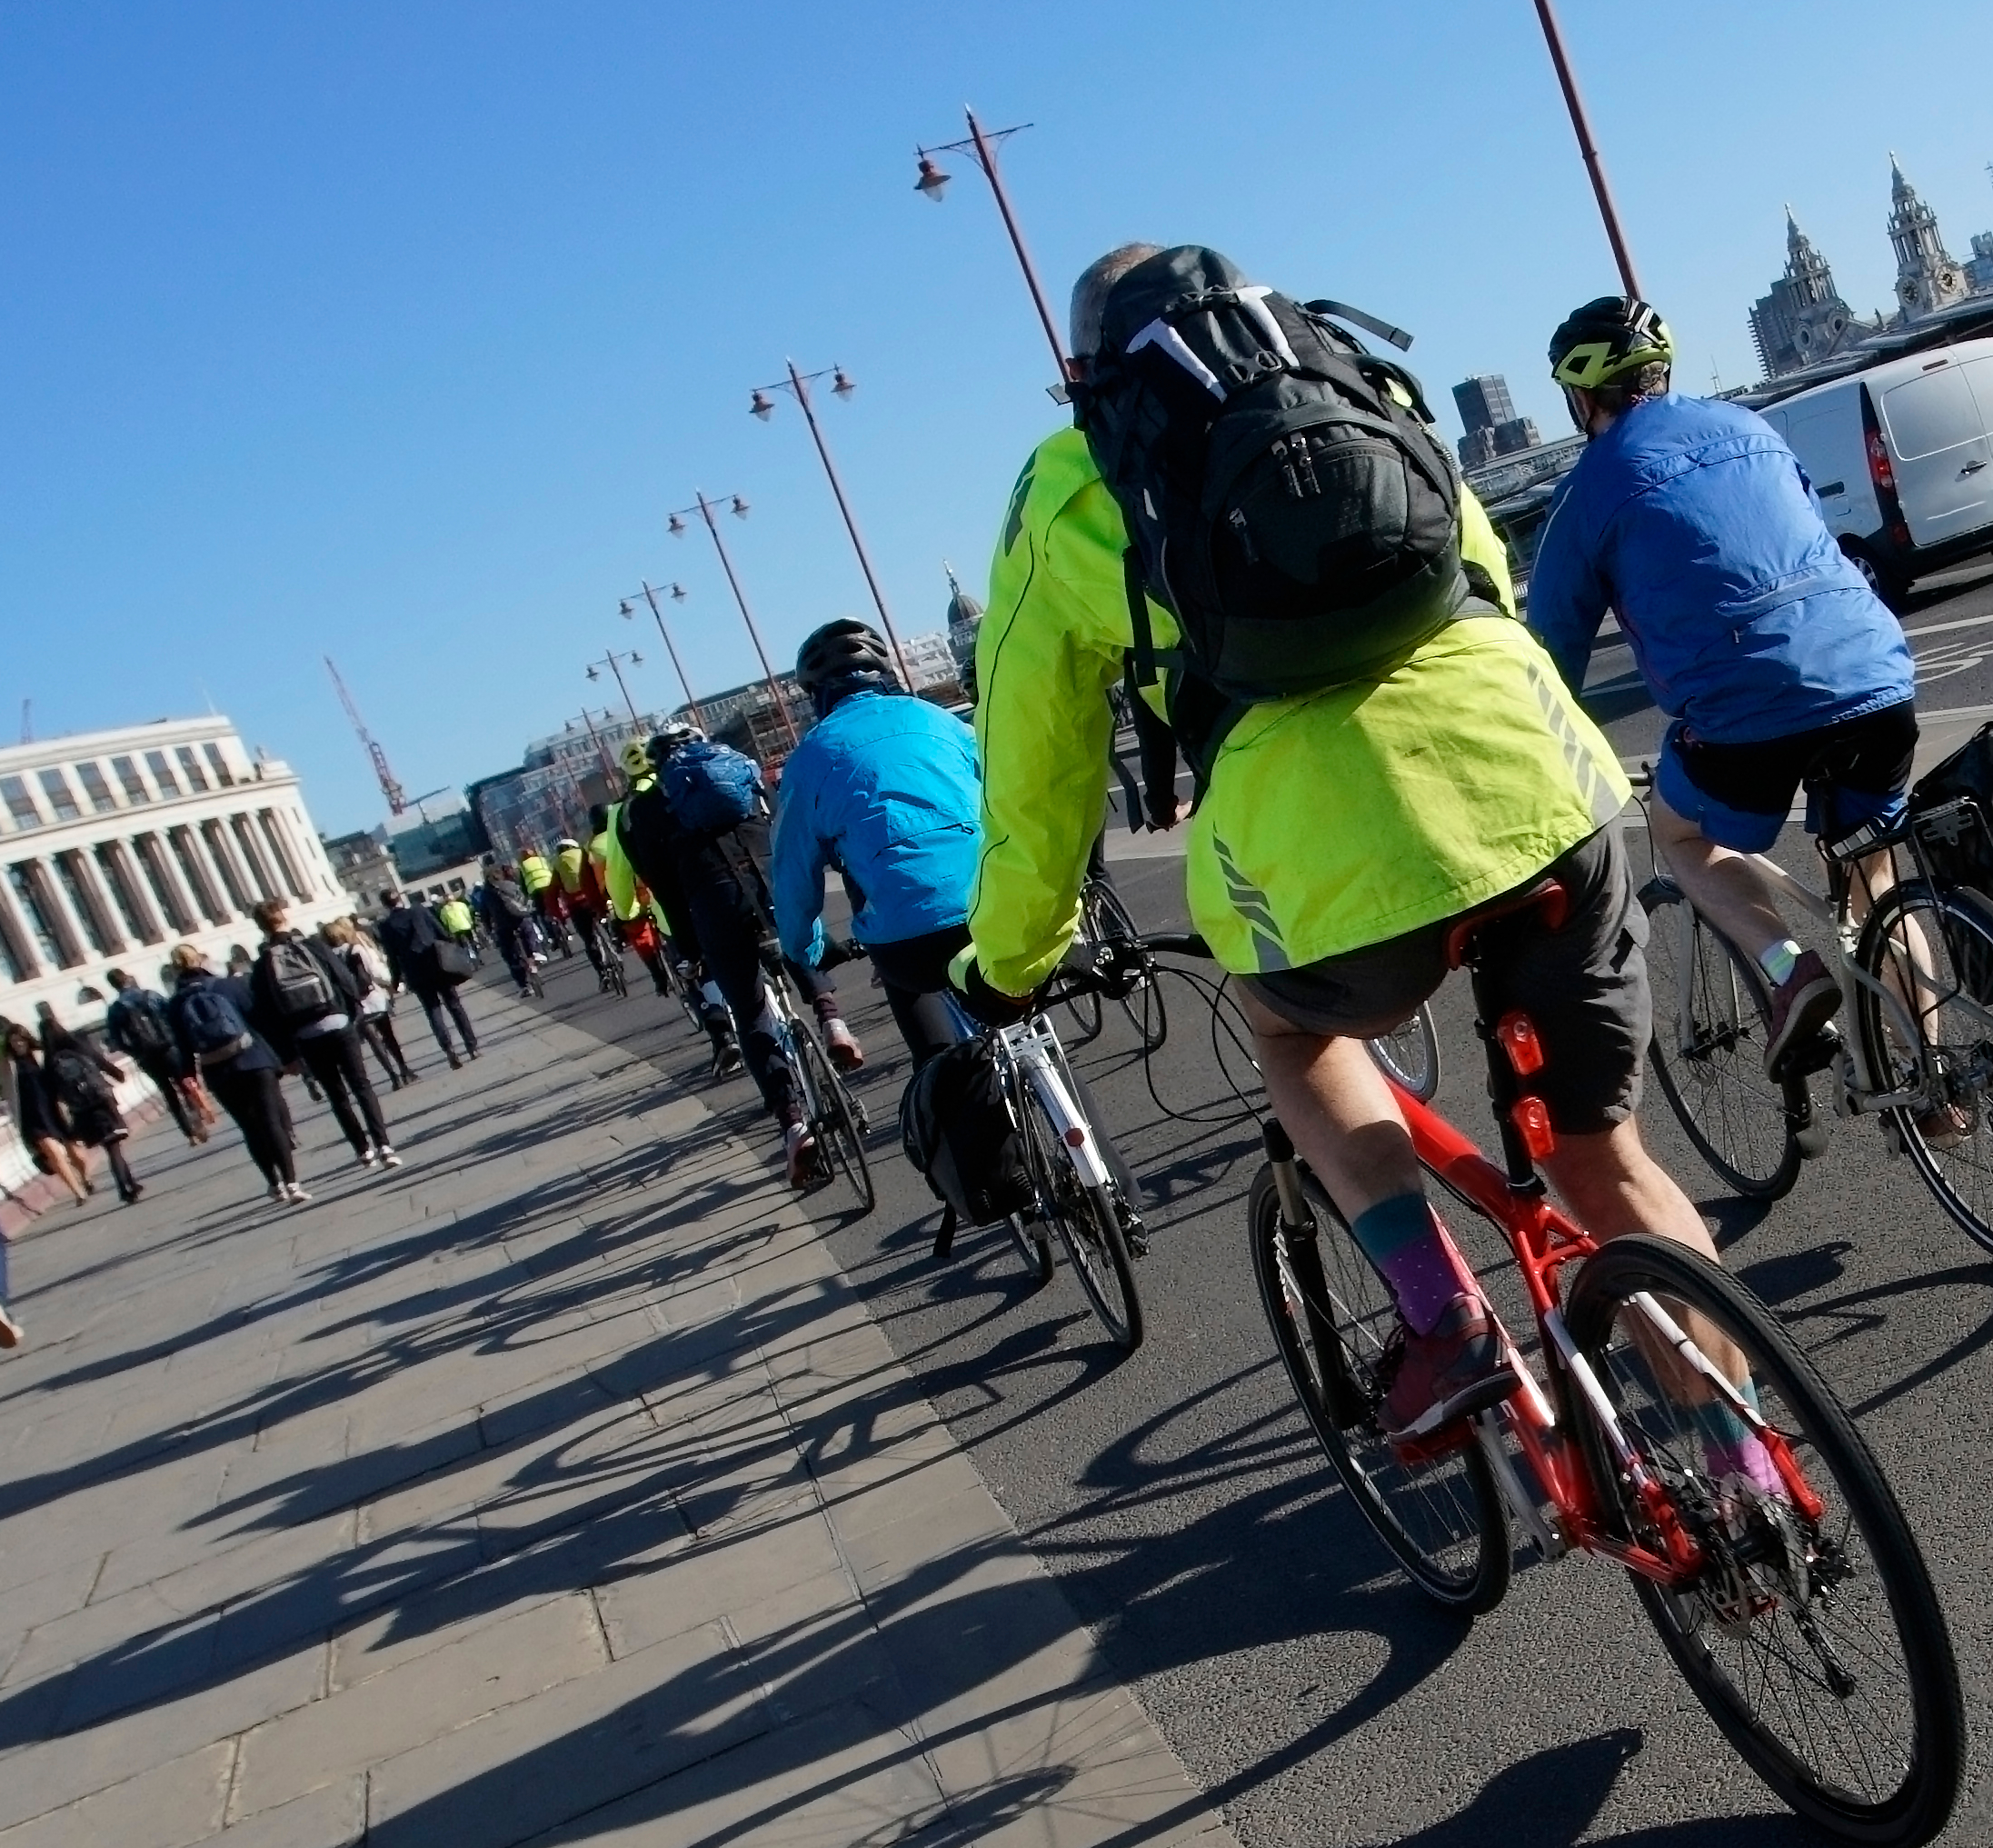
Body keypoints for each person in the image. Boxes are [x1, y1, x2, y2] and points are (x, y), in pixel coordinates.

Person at [957, 242, 1744, 1457]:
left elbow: (1036, 771)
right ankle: (1752, 1469)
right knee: (1603, 1158)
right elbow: (1474, 571)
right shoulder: (1351, 386)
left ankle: (1444, 1319)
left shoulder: (1068, 489)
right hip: (1535, 785)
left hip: (1324, 865)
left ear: (1086, 378)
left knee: (1296, 1031)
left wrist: (1015, 958)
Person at [1528, 295, 1919, 1084]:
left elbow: (1549, 656)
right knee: (1875, 872)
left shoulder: (1587, 490)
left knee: (1682, 836)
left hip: (1746, 712)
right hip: (1876, 670)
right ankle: (1939, 1085)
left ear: (1579, 398)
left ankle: (1786, 969)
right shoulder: (1749, 428)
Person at [608, 722, 862, 1185]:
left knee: (750, 1013)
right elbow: (783, 824)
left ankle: (793, 1123)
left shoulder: (645, 809)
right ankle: (831, 1021)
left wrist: (688, 950)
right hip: (770, 881)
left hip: (715, 903)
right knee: (799, 944)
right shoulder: (740, 770)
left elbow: (664, 888)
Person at [772, 619, 982, 1069]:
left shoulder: (810, 758)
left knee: (911, 993)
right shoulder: (940, 720)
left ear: (817, 696)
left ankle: (943, 1079)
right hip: (1000, 906)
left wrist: (806, 950)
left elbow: (792, 879)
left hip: (912, 940)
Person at [248, 898, 399, 1171]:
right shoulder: (313, 946)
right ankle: (384, 1145)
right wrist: (351, 1013)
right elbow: (343, 978)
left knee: (337, 1094)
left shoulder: (263, 965)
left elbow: (265, 1015)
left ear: (260, 927)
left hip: (306, 1035)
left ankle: (362, 1149)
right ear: (284, 916)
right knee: (362, 1086)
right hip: (338, 1023)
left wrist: (288, 1053)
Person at [166, 944, 308, 1203]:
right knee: (271, 1121)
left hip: (218, 1069)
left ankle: (274, 1184)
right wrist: (285, 1055)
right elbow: (259, 1019)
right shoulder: (228, 985)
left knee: (249, 1127)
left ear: (175, 969)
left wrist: (189, 1077)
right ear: (200, 960)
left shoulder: (175, 1004)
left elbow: (183, 1046)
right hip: (254, 1059)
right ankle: (293, 1183)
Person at [36, 1016, 143, 1204]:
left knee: (111, 1146)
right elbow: (102, 1063)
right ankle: (124, 1187)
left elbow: (52, 1095)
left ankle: (130, 1183)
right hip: (102, 1102)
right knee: (113, 1147)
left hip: (81, 1111)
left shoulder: (50, 1063)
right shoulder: (79, 1047)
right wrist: (118, 1076)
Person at [105, 967, 208, 1145]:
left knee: (168, 1092)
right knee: (184, 1084)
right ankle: (196, 1119)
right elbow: (173, 1016)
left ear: (113, 986)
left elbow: (116, 1040)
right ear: (128, 979)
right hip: (169, 1048)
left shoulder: (115, 1009)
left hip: (147, 1056)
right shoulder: (150, 995)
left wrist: (135, 1052)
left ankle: (189, 1133)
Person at [377, 889, 479, 1064]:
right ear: (400, 899)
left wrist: (396, 980)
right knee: (454, 1005)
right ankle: (472, 1047)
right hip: (438, 964)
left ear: (385, 905)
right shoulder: (419, 911)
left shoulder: (385, 926)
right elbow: (442, 933)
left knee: (433, 1010)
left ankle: (449, 1050)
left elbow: (392, 956)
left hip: (415, 973)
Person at [323, 916, 418, 1089]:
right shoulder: (355, 949)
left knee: (374, 1042)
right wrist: (390, 985)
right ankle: (404, 1069)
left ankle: (393, 1076)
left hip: (354, 1004)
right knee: (388, 1036)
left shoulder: (327, 958)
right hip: (373, 998)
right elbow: (372, 971)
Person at [5, 1022, 92, 1204]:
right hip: (32, 1117)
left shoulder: (41, 1055)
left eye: (20, 1040)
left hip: (55, 1110)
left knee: (77, 1155)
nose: (18, 1044)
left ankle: (85, 1178)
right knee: (54, 1154)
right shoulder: (9, 1066)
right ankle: (78, 1193)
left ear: (27, 1040)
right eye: (14, 1041)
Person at [554, 831, 614, 984]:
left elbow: (552, 892)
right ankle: (614, 936)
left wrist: (558, 916)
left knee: (589, 940)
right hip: (595, 899)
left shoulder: (556, 864)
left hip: (576, 906)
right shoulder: (584, 854)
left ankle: (602, 974)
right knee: (605, 919)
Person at [482, 867, 539, 998]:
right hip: (522, 920)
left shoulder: (486, 894)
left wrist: (490, 930)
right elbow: (524, 900)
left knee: (509, 955)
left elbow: (484, 914)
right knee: (530, 931)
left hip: (504, 927)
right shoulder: (511, 885)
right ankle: (534, 953)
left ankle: (524, 986)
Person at [437, 892, 479, 966]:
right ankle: (478, 957)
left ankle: (466, 960)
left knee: (460, 945)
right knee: (471, 941)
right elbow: (467, 915)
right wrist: (471, 923)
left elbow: (444, 921)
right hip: (466, 926)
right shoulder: (461, 905)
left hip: (454, 929)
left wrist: (448, 928)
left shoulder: (444, 910)